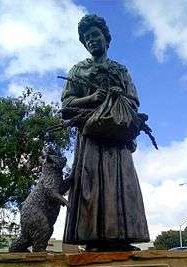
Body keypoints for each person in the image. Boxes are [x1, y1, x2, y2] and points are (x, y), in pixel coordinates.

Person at [61, 14, 149, 251]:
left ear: (106, 38)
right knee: (92, 185)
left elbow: (133, 101)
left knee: (122, 184)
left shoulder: (120, 70)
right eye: (87, 37)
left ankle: (122, 237)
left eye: (95, 35)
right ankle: (93, 238)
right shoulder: (78, 71)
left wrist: (116, 99)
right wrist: (92, 98)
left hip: (117, 141)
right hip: (91, 139)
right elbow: (66, 106)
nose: (91, 40)